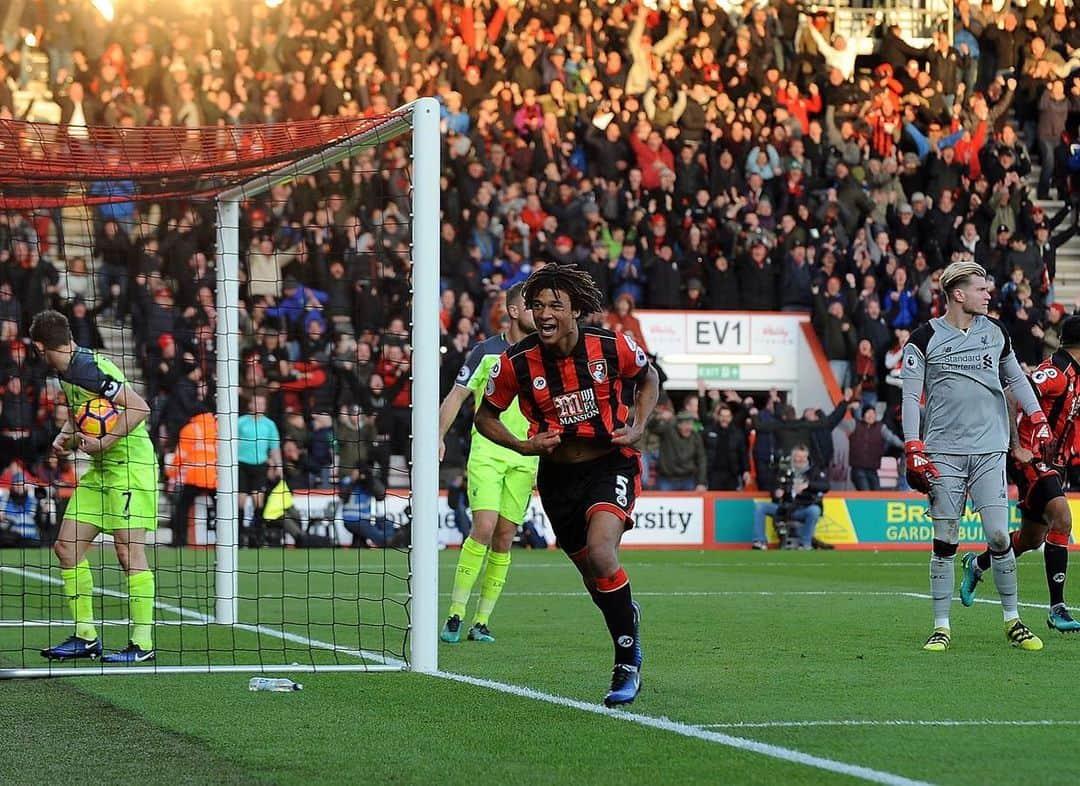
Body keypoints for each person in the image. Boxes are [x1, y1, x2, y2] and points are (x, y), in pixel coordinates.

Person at [476, 265, 660, 708]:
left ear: (575, 309)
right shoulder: (516, 362)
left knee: (602, 553)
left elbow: (649, 376)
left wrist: (638, 425)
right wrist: (523, 445)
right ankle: (625, 620)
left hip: (610, 462)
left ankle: (626, 662)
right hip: (557, 478)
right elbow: (484, 416)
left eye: (555, 304)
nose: (544, 313)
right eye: (537, 305)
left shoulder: (610, 345)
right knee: (596, 582)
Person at [902, 261, 1053, 653]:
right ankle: (941, 625)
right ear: (958, 294)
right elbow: (909, 396)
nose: (989, 294)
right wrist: (912, 444)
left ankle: (1012, 620)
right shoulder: (923, 339)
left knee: (1000, 535)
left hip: (989, 449)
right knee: (945, 539)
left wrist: (1036, 416)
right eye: (981, 289)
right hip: (943, 453)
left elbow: (1015, 378)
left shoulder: (996, 332)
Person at [32, 310, 159, 663]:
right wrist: (65, 438)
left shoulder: (88, 368)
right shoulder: (70, 370)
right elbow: (85, 414)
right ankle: (86, 637)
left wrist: (104, 442)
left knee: (127, 553)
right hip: (101, 472)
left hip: (131, 469)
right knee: (66, 547)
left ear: (40, 347)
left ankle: (142, 643)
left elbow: (139, 407)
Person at [958, 316, 1080, 632]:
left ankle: (978, 563)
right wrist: (1016, 446)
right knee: (1063, 519)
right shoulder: (1055, 372)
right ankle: (1058, 609)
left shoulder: (1077, 375)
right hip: (1031, 458)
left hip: (1055, 463)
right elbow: (1013, 394)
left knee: (1030, 538)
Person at [436, 283, 538, 643]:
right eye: (532, 305)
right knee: (484, 525)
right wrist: (437, 435)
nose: (539, 311)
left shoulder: (546, 354)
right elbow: (457, 395)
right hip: (488, 452)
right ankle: (455, 613)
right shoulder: (486, 352)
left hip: (526, 457)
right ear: (512, 311)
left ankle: (481, 622)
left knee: (506, 537)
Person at [750, 444, 829, 550]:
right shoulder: (783, 470)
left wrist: (808, 485)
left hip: (803, 508)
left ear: (807, 457)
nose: (800, 460)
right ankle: (759, 541)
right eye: (797, 456)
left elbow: (826, 486)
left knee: (815, 510)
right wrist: (776, 492)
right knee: (760, 507)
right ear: (792, 457)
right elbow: (772, 486)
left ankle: (805, 544)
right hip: (784, 508)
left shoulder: (814, 471)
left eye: (803, 457)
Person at [167, 408, 217, 547]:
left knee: (182, 508)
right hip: (214, 476)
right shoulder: (218, 427)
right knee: (223, 509)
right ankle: (231, 538)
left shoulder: (189, 429)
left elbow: (180, 456)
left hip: (194, 476)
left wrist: (172, 476)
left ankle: (179, 540)